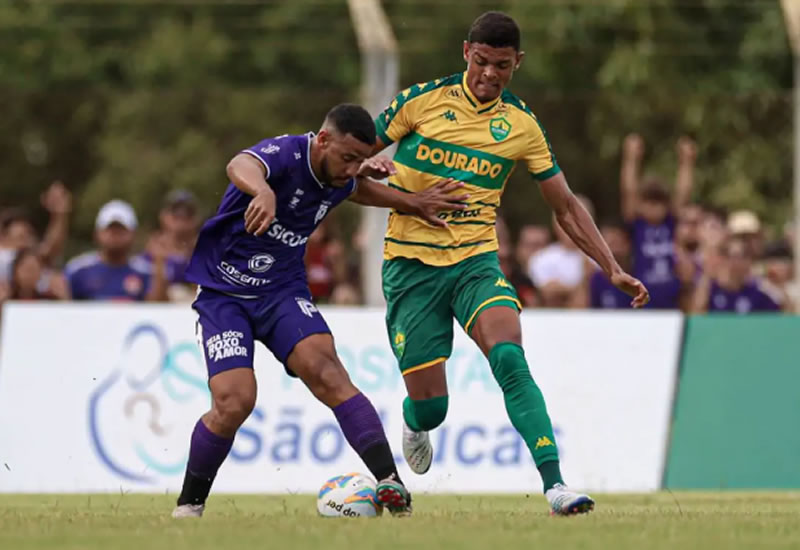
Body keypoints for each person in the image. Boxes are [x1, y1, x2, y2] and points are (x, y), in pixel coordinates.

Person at [370, 11, 649, 515]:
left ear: (517, 63)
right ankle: (415, 419)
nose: (490, 75)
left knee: (509, 358)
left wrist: (610, 267)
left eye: (502, 66)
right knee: (433, 407)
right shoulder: (419, 102)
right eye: (481, 62)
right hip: (411, 266)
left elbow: (563, 206)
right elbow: (347, 164)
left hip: (475, 263)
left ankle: (556, 486)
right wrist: (398, 191)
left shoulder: (521, 125)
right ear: (465, 54)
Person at [173, 103, 466, 518]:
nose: (351, 169)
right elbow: (240, 163)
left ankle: (390, 483)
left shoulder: (340, 173)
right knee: (234, 401)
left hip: (281, 292)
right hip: (224, 294)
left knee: (328, 371)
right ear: (324, 139)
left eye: (359, 161)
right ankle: (189, 507)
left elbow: (353, 188)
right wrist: (262, 191)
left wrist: (411, 203)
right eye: (347, 158)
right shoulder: (287, 154)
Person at [620, 134, 696, 309]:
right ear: (641, 203)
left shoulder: (670, 223)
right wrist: (630, 158)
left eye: (658, 203)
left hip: (671, 296)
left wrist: (687, 162)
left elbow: (683, 194)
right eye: (649, 202)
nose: (654, 208)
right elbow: (628, 190)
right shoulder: (637, 225)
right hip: (642, 295)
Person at [65, 200, 169, 302]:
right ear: (96, 234)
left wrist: (160, 261)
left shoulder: (146, 272)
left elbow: (156, 310)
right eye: (109, 229)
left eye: (121, 229)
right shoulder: (78, 270)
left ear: (133, 235)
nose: (114, 235)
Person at [691, 236, 783, 313]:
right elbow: (697, 313)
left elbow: (784, 312)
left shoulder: (756, 292)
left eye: (744, 256)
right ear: (724, 259)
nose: (737, 262)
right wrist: (707, 274)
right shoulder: (711, 289)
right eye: (734, 256)